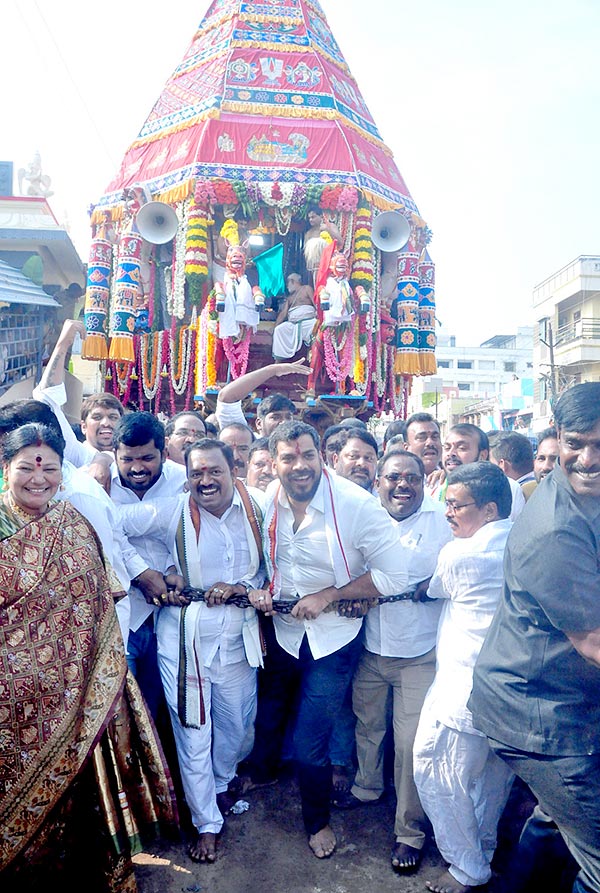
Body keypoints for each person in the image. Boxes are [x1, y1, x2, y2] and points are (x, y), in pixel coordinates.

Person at [0, 423, 176, 892]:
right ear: (5, 470)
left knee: (75, 800)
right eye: (26, 468)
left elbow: (97, 604)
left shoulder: (73, 523)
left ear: (63, 472)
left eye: (50, 469)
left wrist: (100, 676)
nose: (39, 479)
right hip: (8, 704)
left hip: (74, 696)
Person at [247, 421, 408, 859]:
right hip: (283, 633)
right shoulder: (267, 502)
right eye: (288, 458)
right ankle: (260, 774)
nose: (299, 467)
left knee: (310, 740)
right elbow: (258, 559)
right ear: (273, 461)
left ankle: (316, 822)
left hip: (333, 640)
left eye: (307, 456)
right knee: (270, 712)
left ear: (323, 455)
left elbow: (395, 576)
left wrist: (333, 595)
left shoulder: (356, 506)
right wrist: (260, 588)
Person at [469, 382, 600, 893]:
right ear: (557, 439)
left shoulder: (585, 496)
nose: (588, 459)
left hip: (564, 699)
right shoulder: (554, 529)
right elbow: (592, 641)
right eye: (576, 444)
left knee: (559, 819)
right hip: (538, 711)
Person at [118, 438, 265, 865]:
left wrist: (244, 588)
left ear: (233, 468)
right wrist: (148, 572)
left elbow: (272, 564)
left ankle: (221, 784)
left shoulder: (257, 506)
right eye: (196, 472)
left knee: (238, 726)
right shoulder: (173, 510)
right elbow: (113, 524)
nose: (205, 480)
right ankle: (207, 823)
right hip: (184, 639)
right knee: (193, 731)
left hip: (239, 638)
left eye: (213, 471)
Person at [341, 450, 452, 875]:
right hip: (370, 649)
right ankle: (367, 788)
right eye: (393, 477)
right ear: (378, 481)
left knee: (409, 745)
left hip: (419, 655)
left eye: (412, 478)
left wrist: (435, 584)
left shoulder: (443, 522)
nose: (402, 485)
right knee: (367, 727)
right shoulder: (363, 517)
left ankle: (409, 832)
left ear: (425, 482)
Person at [413, 462, 515, 893]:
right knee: (492, 776)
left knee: (435, 771)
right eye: (446, 503)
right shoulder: (521, 541)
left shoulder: (460, 554)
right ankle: (483, 850)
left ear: (489, 510)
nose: (448, 512)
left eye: (456, 505)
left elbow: (436, 589)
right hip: (511, 691)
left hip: (463, 690)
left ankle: (467, 866)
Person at [110, 412, 186, 717]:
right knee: (121, 713)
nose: (137, 468)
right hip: (119, 618)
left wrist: (169, 571)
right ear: (113, 454)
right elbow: (105, 532)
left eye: (147, 458)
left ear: (164, 453)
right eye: (127, 459)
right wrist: (141, 573)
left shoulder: (185, 479)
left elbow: (188, 532)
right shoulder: (99, 482)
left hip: (169, 615)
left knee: (160, 711)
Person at [441, 423, 525, 520]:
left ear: (482, 455)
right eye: (447, 448)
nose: (451, 454)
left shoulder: (508, 487)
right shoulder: (432, 486)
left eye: (462, 448)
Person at [215, 359, 309, 436]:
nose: (283, 422)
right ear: (259, 423)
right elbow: (226, 398)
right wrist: (272, 370)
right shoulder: (247, 442)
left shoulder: (298, 449)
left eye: (288, 417)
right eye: (276, 417)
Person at [272, 273, 316, 360]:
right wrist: (275, 326)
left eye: (288, 283)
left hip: (308, 322)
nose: (287, 287)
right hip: (292, 324)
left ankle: (312, 355)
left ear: (292, 281)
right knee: (279, 330)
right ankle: (278, 361)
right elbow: (283, 314)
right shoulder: (290, 298)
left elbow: (315, 303)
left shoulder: (306, 288)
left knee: (315, 325)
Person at [332, 428, 379, 492]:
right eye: (353, 456)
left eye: (369, 458)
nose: (362, 463)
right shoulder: (320, 497)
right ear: (336, 460)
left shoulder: (381, 500)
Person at [303, 207, 341, 283]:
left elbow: (340, 242)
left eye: (313, 217)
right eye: (309, 218)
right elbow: (307, 255)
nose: (310, 220)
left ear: (321, 216)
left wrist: (327, 230)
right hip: (316, 268)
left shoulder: (330, 226)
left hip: (331, 266)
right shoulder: (308, 233)